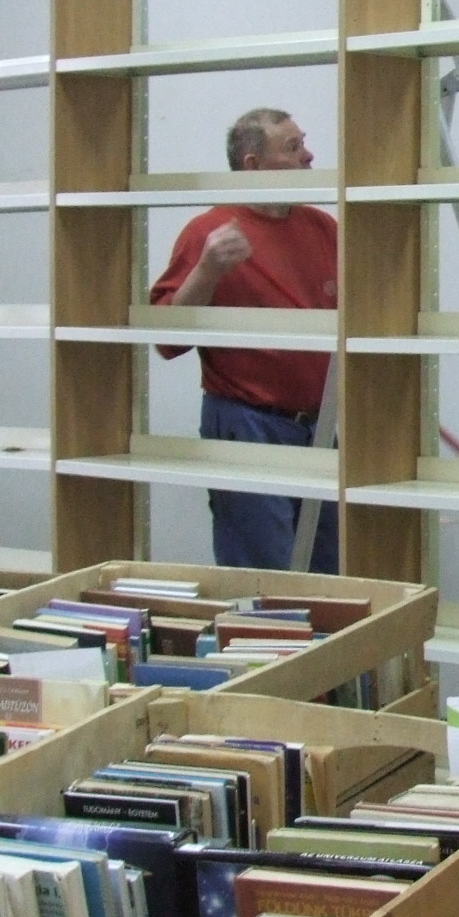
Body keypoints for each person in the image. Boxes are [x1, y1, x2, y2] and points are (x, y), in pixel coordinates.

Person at [149, 108, 340, 571]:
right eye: (292, 148)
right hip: (247, 424)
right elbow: (167, 341)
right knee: (264, 576)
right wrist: (208, 269)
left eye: (303, 142)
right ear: (253, 165)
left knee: (328, 571)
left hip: (318, 427)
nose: (309, 156)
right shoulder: (209, 234)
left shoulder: (322, 228)